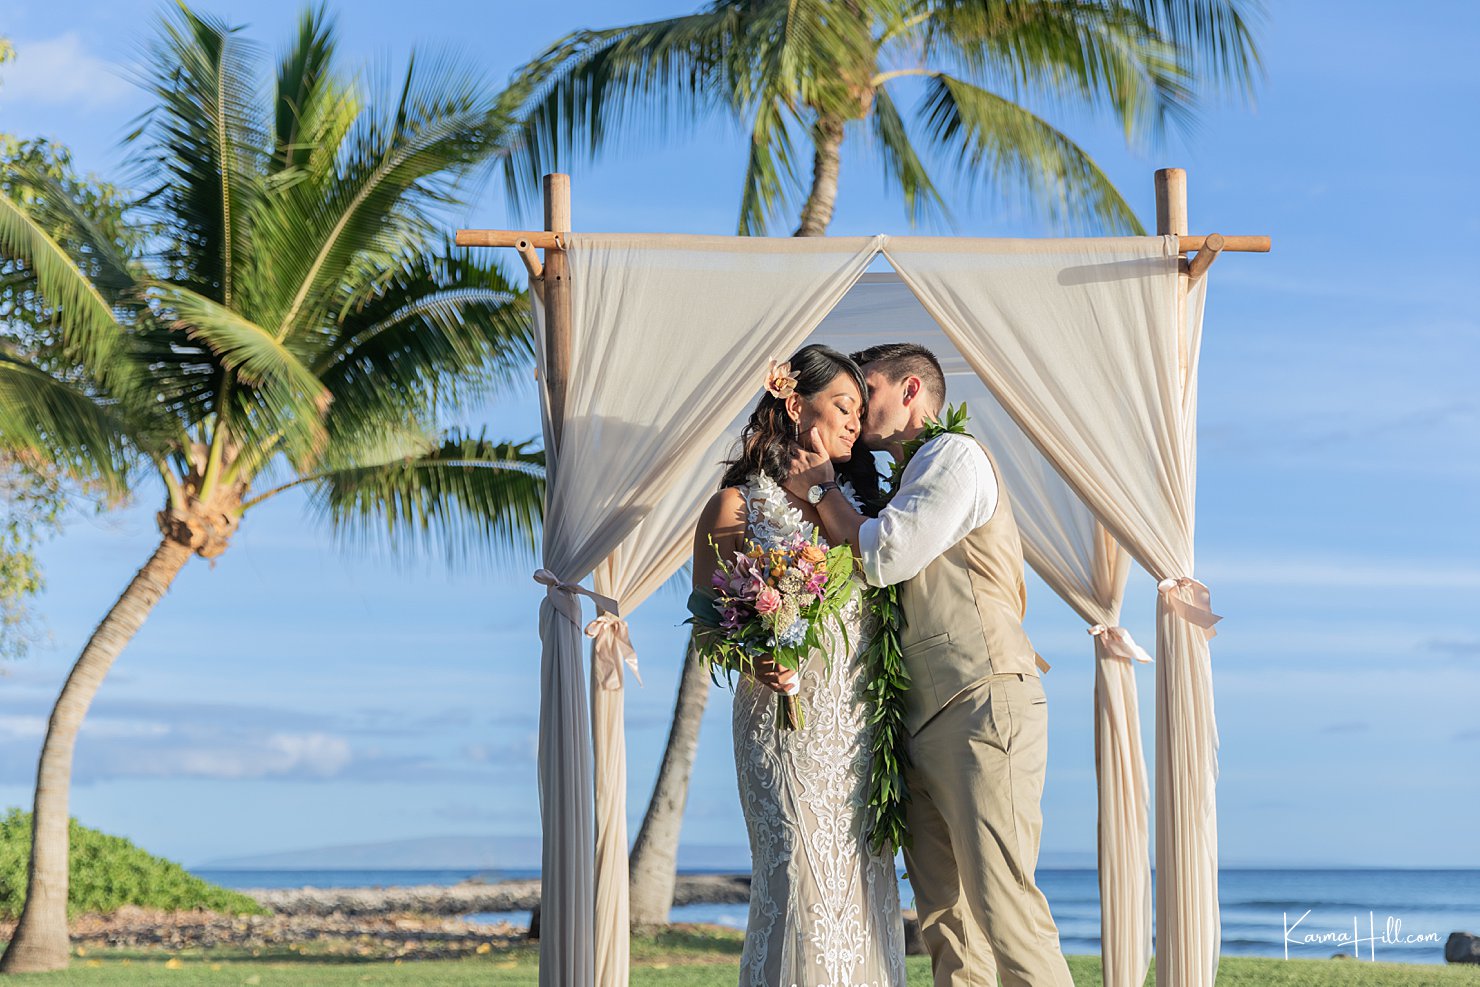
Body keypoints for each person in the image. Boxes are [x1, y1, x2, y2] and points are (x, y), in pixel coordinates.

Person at [788, 342, 1075, 987]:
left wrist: (824, 489)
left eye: (869, 388)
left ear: (912, 389)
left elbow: (885, 554)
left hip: (982, 702)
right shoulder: (903, 482)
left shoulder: (956, 456)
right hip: (917, 724)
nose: (858, 407)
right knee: (948, 928)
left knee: (1005, 911)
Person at [690, 343, 906, 987]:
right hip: (781, 726)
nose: (854, 422)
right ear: (792, 403)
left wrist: (828, 494)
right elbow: (707, 620)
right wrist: (755, 656)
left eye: (859, 411)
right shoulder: (736, 506)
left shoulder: (858, 512)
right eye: (843, 406)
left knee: (862, 887)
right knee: (798, 877)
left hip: (860, 728)